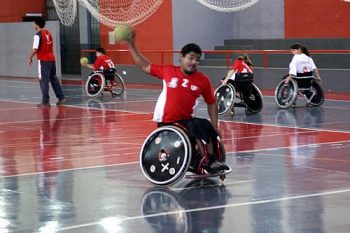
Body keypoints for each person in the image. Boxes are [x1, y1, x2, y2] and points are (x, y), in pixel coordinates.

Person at [127, 33, 229, 173]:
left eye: (197, 59)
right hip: (168, 122)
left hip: (186, 120)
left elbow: (211, 103)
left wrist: (215, 125)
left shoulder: (202, 80)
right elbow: (144, 66)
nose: (193, 62)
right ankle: (207, 160)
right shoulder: (168, 71)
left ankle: (211, 159)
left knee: (206, 125)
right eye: (190, 58)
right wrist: (131, 45)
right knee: (196, 125)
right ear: (181, 57)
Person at [28, 16, 65, 107]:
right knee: (53, 78)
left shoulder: (38, 35)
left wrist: (30, 57)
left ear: (37, 24)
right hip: (52, 58)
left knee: (43, 80)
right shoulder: (48, 33)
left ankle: (45, 101)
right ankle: (61, 98)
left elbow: (35, 49)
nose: (33, 25)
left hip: (44, 60)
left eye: (34, 23)